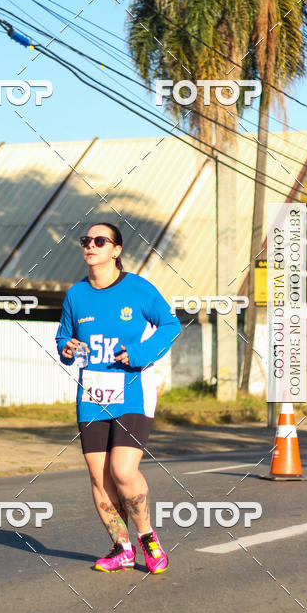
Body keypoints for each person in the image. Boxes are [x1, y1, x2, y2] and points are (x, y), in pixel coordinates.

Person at [55, 222, 180, 573]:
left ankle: (147, 538)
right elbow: (63, 336)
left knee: (122, 471)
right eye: (86, 240)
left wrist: (141, 353)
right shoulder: (76, 294)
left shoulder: (138, 289)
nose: (90, 246)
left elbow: (171, 325)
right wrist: (66, 348)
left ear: (116, 250)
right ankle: (121, 548)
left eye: (100, 241)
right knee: (99, 476)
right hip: (92, 394)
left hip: (133, 392)